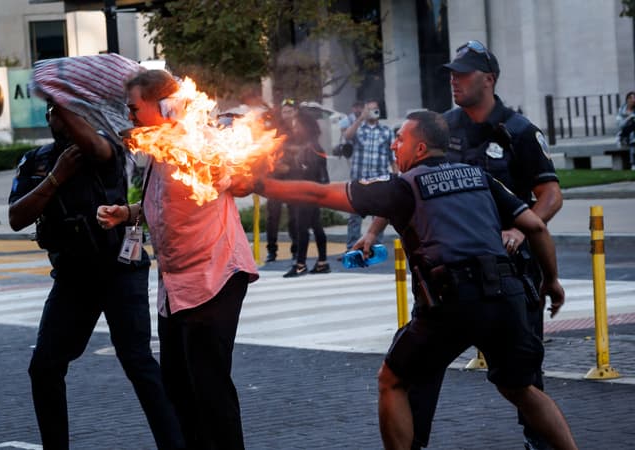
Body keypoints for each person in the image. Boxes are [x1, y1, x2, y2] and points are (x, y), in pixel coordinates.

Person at [231, 110, 577, 450]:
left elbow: (320, 195)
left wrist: (261, 184)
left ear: (421, 148)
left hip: (453, 301)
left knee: (392, 380)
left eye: (400, 139)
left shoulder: (404, 185)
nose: (394, 146)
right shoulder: (478, 176)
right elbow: (535, 226)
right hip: (507, 296)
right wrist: (551, 280)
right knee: (521, 389)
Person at [97, 69, 259, 450]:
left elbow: (239, 181)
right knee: (178, 388)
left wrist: (236, 173)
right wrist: (128, 213)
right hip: (174, 289)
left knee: (209, 387)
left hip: (214, 279)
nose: (130, 116)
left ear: (165, 105)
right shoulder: (157, 154)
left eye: (135, 108)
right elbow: (164, 204)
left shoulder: (197, 141)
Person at [8, 101, 183, 449]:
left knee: (137, 361)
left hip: (119, 270)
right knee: (44, 367)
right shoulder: (37, 161)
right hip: (73, 278)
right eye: (54, 110)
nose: (61, 117)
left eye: (68, 110)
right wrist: (55, 178)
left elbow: (96, 148)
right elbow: (16, 217)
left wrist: (65, 100)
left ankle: (175, 444)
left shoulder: (103, 147)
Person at [342, 99, 396, 251]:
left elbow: (393, 157)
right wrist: (361, 118)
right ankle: (352, 249)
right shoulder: (358, 129)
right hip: (359, 179)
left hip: (380, 180)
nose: (374, 112)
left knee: (379, 216)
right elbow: (347, 136)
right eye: (370, 109)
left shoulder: (386, 131)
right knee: (354, 215)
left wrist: (396, 177)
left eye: (376, 109)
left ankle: (374, 248)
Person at [282, 109, 331, 278]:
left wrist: (291, 170)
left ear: (305, 127)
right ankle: (322, 262)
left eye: (297, 126)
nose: (294, 129)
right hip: (313, 192)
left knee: (302, 227)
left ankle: (301, 264)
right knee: (316, 226)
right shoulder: (314, 146)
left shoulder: (311, 148)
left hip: (307, 192)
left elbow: (309, 171)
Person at [265, 98, 299, 262]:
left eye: (289, 111)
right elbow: (270, 148)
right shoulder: (276, 129)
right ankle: (272, 250)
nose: (287, 114)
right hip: (276, 176)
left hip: (292, 176)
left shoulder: (301, 130)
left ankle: (296, 248)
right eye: (284, 111)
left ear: (295, 112)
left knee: (294, 214)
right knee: (273, 215)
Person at [616, 91, 635, 169]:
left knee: (633, 136)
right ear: (627, 99)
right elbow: (620, 125)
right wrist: (628, 118)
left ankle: (633, 163)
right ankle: (633, 163)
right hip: (624, 132)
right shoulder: (621, 110)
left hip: (632, 135)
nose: (633, 100)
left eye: (634, 98)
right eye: (631, 98)